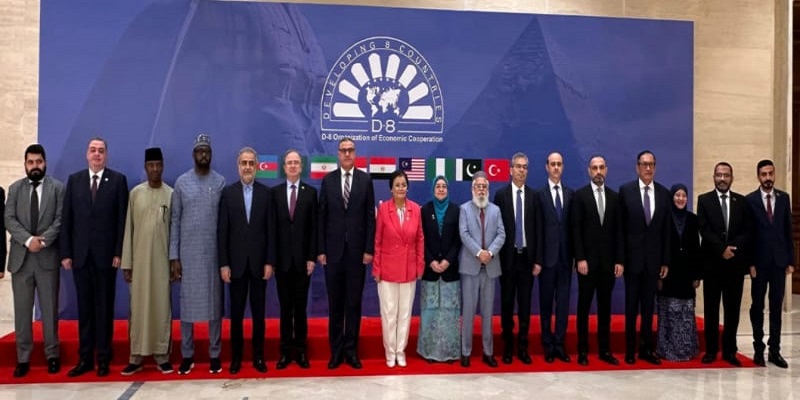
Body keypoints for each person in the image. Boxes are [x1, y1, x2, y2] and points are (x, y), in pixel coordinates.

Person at [60, 137, 129, 377]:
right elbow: (67, 219)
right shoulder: (75, 180)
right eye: (93, 150)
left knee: (104, 309)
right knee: (85, 309)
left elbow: (122, 220)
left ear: (106, 155)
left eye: (101, 150)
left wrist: (119, 252)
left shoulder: (117, 181)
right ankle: (85, 359)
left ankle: (104, 358)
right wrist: (66, 253)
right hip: (80, 257)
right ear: (86, 154)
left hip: (106, 258)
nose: (97, 154)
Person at [3, 144, 64, 377]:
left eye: (39, 161)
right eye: (31, 162)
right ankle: (23, 358)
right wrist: (28, 240)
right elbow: (9, 219)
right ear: (25, 164)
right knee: (22, 312)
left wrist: (43, 241)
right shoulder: (15, 189)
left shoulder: (57, 188)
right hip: (21, 259)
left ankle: (52, 355)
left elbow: (60, 219)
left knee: (49, 310)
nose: (35, 166)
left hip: (47, 258)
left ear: (45, 162)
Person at [169, 134, 226, 375]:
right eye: (200, 151)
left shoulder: (220, 182)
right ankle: (187, 355)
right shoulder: (181, 183)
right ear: (194, 155)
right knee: (187, 307)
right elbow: (175, 220)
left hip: (213, 254)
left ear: (211, 155)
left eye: (207, 151)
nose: (204, 155)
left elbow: (225, 223)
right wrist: (174, 256)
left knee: (214, 307)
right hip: (188, 255)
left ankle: (214, 354)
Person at [318, 137, 376, 370]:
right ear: (338, 154)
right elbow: (322, 217)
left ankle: (351, 352)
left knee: (353, 304)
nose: (347, 154)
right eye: (343, 150)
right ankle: (336, 352)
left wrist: (369, 249)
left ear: (355, 153)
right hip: (333, 254)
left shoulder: (365, 180)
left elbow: (370, 218)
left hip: (356, 254)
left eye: (350, 150)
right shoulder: (328, 180)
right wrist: (321, 250)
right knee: (335, 305)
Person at [218, 146, 273, 375]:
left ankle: (258, 356)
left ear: (257, 166)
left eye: (251, 163)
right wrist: (224, 263)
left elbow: (271, 232)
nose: (248, 167)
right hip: (236, 266)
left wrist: (269, 262)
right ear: (238, 166)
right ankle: (236, 358)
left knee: (259, 315)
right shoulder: (228, 193)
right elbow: (223, 232)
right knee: (237, 315)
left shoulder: (266, 194)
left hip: (260, 265)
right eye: (244, 163)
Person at [119, 147, 175, 375]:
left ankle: (162, 356)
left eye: (158, 165)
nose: (155, 169)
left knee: (161, 308)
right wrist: (127, 263)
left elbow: (174, 232)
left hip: (162, 264)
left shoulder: (171, 194)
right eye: (151, 165)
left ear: (163, 167)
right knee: (138, 309)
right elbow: (128, 230)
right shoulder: (135, 194)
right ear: (145, 167)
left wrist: (174, 262)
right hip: (139, 264)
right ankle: (136, 357)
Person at [617, 150, 670, 365]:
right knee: (631, 308)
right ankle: (630, 350)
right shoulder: (626, 191)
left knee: (649, 308)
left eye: (651, 164)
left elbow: (666, 231)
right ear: (637, 167)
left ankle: (646, 349)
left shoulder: (663, 193)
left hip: (653, 262)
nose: (648, 168)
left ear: (655, 167)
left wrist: (665, 260)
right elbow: (620, 230)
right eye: (644, 164)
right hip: (632, 261)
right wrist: (620, 260)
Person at [570, 155, 624, 366]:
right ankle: (582, 351)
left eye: (601, 167)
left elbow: (619, 232)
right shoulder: (580, 196)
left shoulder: (614, 197)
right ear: (589, 171)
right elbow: (576, 231)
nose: (598, 171)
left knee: (605, 309)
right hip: (587, 264)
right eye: (595, 168)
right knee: (583, 308)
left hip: (608, 264)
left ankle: (605, 350)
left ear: (606, 170)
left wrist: (619, 260)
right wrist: (580, 258)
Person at [697, 161, 751, 366]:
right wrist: (721, 249)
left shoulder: (742, 201)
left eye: (726, 175)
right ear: (713, 177)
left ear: (732, 178)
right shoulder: (704, 200)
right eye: (719, 175)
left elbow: (747, 230)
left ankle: (730, 351)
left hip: (735, 266)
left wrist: (732, 249)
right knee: (711, 309)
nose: (722, 179)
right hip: (712, 265)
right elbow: (704, 229)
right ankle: (711, 350)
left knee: (732, 310)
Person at [492, 152, 541, 365]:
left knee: (525, 305)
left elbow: (538, 230)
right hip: (508, 260)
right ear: (510, 170)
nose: (522, 170)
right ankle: (508, 347)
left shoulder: (534, 196)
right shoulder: (501, 195)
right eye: (518, 166)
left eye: (525, 167)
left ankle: (522, 347)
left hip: (527, 260)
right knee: (506, 304)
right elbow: (495, 229)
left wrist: (538, 260)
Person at [373, 170, 424, 368]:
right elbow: (377, 241)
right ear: (391, 189)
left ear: (407, 187)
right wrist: (377, 269)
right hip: (387, 271)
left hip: (408, 270)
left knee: (404, 314)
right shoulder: (384, 209)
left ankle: (400, 351)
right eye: (397, 185)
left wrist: (419, 266)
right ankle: (390, 351)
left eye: (404, 185)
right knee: (389, 313)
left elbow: (420, 239)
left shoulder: (415, 209)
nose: (401, 188)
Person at [272, 149, 317, 370]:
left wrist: (311, 258)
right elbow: (271, 230)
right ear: (284, 167)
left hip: (302, 262)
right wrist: (272, 260)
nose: (292, 166)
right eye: (289, 162)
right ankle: (284, 353)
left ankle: (300, 352)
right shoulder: (275, 193)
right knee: (285, 309)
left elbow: (313, 229)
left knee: (300, 309)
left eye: (296, 162)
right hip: (281, 263)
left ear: (301, 167)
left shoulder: (310, 193)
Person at [746, 159, 794, 368]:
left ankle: (775, 349)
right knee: (757, 306)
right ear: (758, 176)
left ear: (774, 175)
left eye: (770, 174)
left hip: (779, 263)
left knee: (776, 306)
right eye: (764, 174)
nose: (767, 178)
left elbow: (788, 230)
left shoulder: (784, 198)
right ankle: (758, 348)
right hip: (758, 264)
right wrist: (749, 263)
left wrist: (791, 260)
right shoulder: (750, 200)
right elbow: (748, 235)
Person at [459, 171, 505, 368]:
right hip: (471, 268)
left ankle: (488, 352)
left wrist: (490, 253)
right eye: (478, 186)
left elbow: (502, 234)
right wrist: (479, 253)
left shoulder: (496, 210)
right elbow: (464, 234)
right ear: (472, 189)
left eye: (484, 186)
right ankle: (465, 352)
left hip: (490, 268)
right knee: (468, 312)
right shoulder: (464, 209)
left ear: (488, 189)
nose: (481, 190)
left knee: (488, 313)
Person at [417, 176, 462, 363]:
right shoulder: (425, 210)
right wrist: (431, 261)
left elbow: (458, 240)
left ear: (448, 190)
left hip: (450, 270)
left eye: (444, 186)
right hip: (431, 270)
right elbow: (421, 239)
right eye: (438, 186)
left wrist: (448, 260)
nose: (441, 189)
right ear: (433, 189)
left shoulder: (456, 210)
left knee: (449, 312)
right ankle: (429, 352)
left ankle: (450, 352)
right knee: (430, 311)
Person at [536, 151, 574, 363]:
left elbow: (574, 229)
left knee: (563, 305)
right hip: (547, 261)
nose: (556, 167)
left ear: (563, 167)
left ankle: (559, 344)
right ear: (547, 167)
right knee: (546, 305)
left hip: (566, 260)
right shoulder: (539, 195)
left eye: (559, 164)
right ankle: (547, 345)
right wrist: (538, 259)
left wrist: (576, 257)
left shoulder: (570, 194)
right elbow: (537, 230)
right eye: (553, 164)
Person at [656, 184, 700, 361]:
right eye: (677, 195)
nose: (681, 199)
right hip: (668, 273)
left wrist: (697, 275)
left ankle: (686, 350)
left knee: (685, 313)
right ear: (672, 197)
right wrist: (658, 274)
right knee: (669, 312)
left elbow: (696, 248)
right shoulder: (664, 218)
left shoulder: (693, 219)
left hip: (687, 274)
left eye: (684, 196)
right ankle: (667, 349)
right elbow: (659, 246)